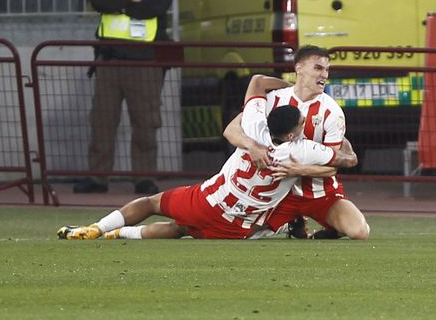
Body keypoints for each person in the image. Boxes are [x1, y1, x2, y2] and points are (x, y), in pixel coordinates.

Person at [57, 103, 330, 240]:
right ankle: (118, 235)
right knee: (179, 230)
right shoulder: (302, 149)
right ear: (292, 132)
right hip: (233, 230)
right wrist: (307, 166)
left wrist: (258, 108)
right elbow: (343, 160)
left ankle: (98, 228)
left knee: (151, 202)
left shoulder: (254, 130)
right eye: (302, 122)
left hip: (208, 201)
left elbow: (248, 100)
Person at [225, 46, 370, 240]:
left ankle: (325, 228)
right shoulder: (274, 99)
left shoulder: (332, 112)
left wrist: (297, 170)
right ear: (299, 68)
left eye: (327, 70)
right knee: (234, 234)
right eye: (318, 68)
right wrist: (251, 146)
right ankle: (288, 223)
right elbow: (231, 130)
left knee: (360, 232)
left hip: (318, 191)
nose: (324, 75)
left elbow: (332, 169)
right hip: (276, 193)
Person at [76, 0, 175, 195]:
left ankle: (144, 178)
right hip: (109, 62)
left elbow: (156, 5)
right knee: (102, 122)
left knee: (145, 124)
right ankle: (97, 178)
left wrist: (118, 3)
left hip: (146, 63)